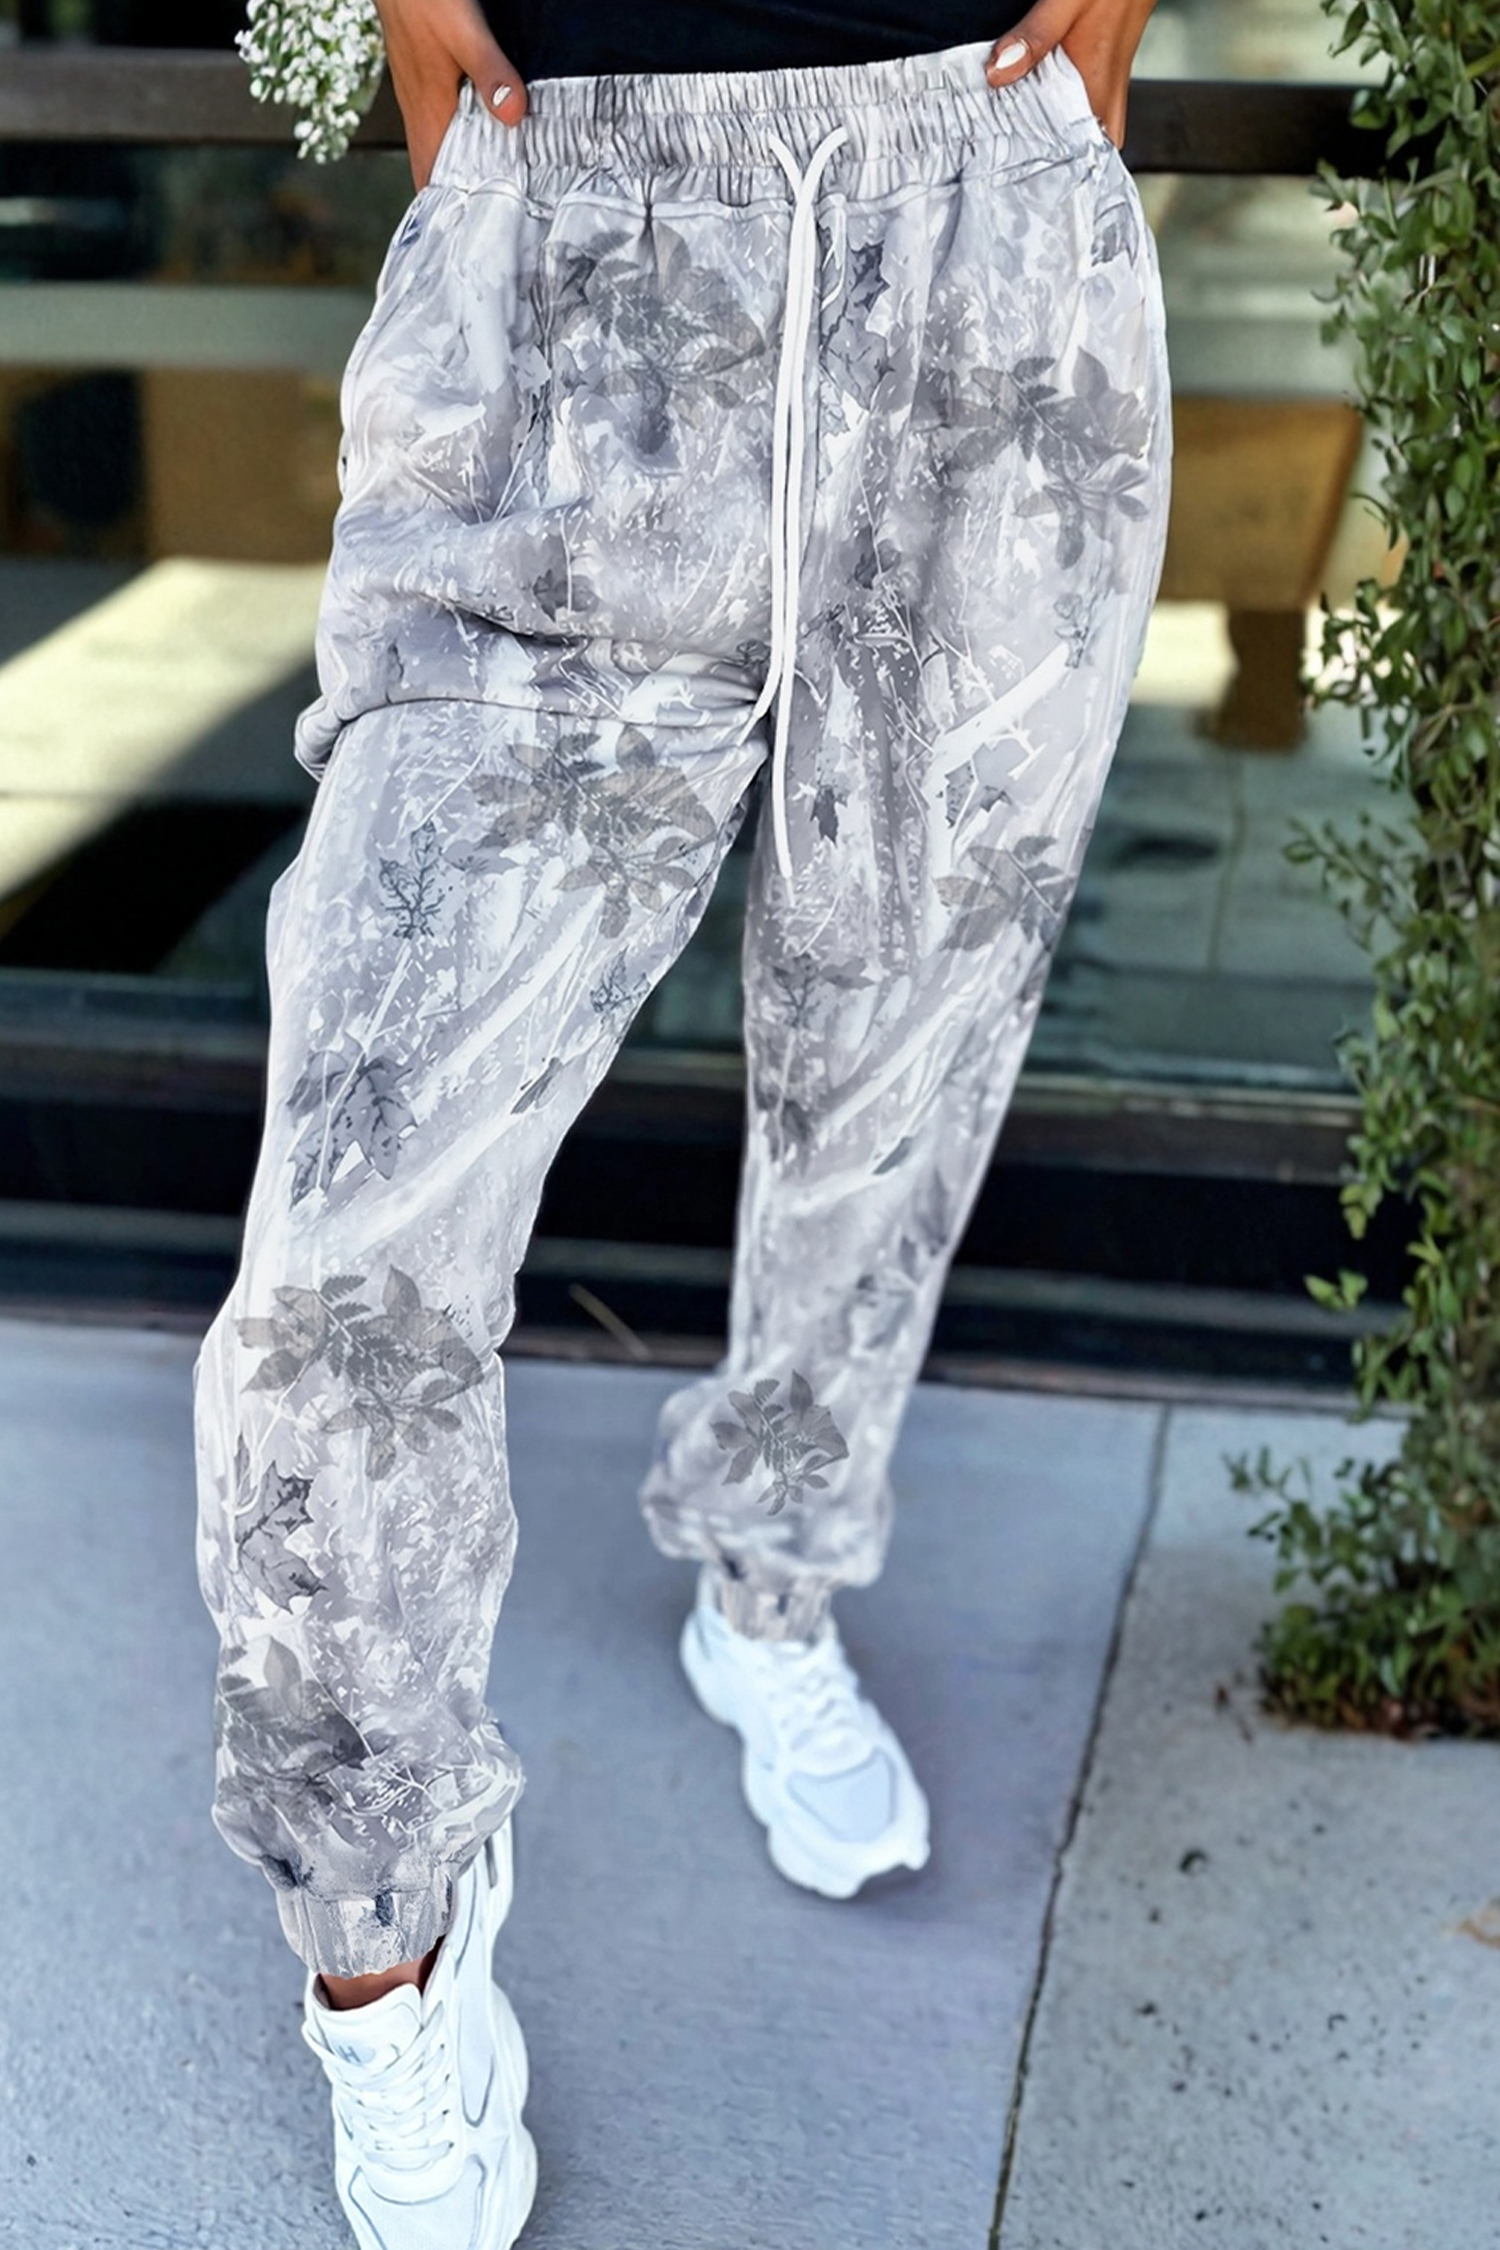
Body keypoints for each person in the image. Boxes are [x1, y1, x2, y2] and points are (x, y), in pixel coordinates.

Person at [194, 0, 1166, 2240]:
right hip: (571, 239)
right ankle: (382, 1947)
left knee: (898, 1052)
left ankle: (772, 1574)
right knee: (352, 1229)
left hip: (979, 224)